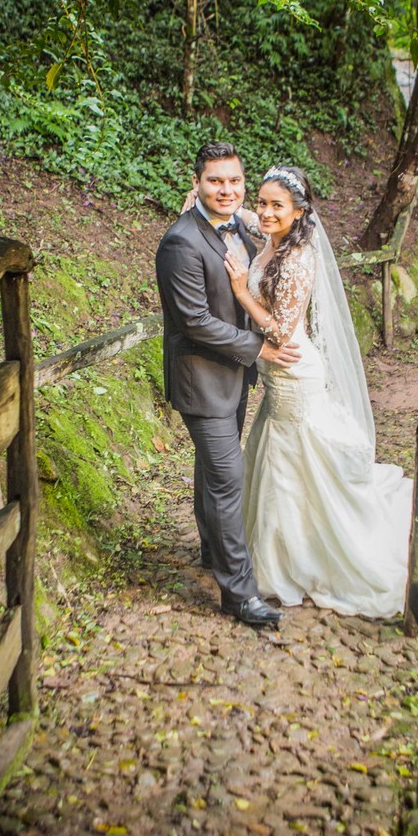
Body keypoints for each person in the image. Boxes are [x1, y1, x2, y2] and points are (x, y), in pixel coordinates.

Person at [224, 164, 414, 619]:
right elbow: (246, 217)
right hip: (278, 377)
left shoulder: (295, 259)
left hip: (293, 372)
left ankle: (303, 559)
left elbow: (281, 332)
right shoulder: (273, 235)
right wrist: (210, 201)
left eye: (277, 206)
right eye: (263, 202)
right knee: (279, 459)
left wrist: (241, 291)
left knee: (294, 463)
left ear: (299, 212)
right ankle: (280, 551)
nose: (266, 213)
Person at [155, 142, 299, 628]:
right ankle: (239, 594)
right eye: (215, 180)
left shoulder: (241, 226)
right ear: (196, 182)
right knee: (227, 479)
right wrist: (260, 347)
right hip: (202, 381)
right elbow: (194, 320)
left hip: (233, 376)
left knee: (213, 471)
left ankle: (211, 548)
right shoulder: (180, 243)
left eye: (234, 180)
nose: (226, 189)